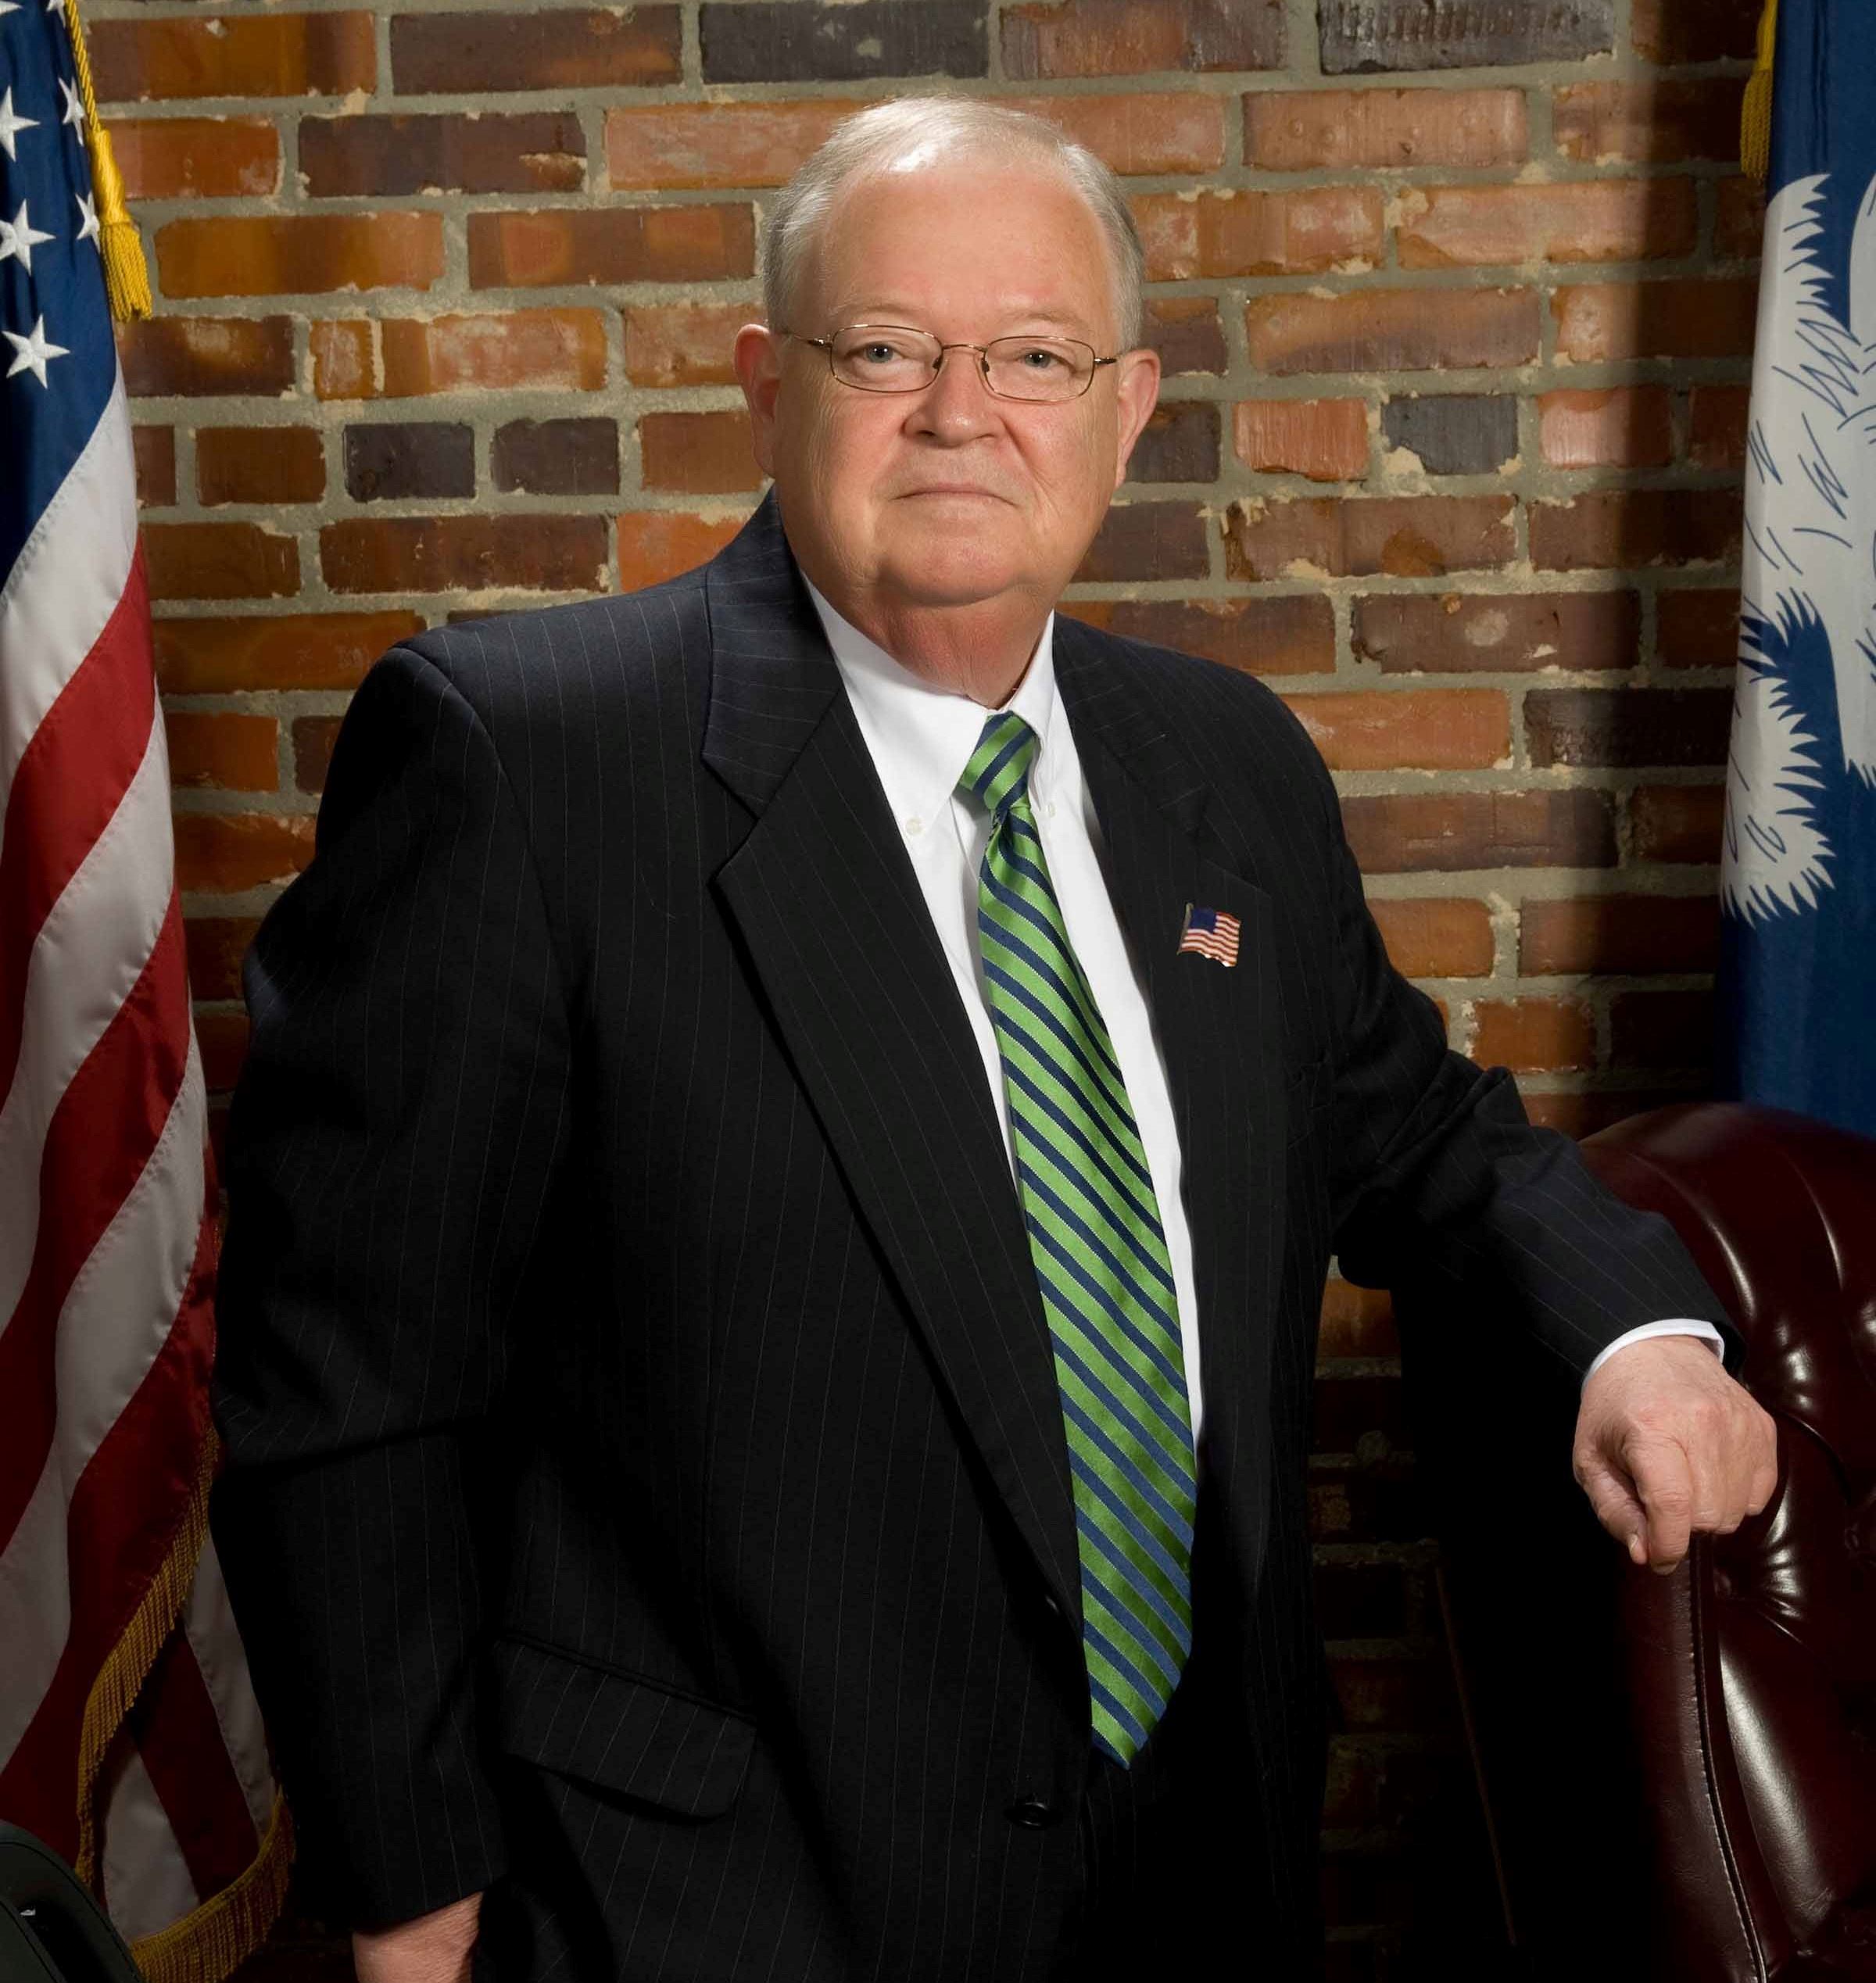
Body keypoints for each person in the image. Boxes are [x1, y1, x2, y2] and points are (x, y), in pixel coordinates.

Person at [211, 98, 1777, 1983]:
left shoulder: (1228, 767)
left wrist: (1635, 1331)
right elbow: (350, 1382)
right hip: (711, 1910)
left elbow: (1424, 1139)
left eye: (1033, 355)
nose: (962, 414)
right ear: (764, 381)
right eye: (888, 351)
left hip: (1201, 1888)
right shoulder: (525, 763)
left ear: (1124, 409)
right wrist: (405, 1885)